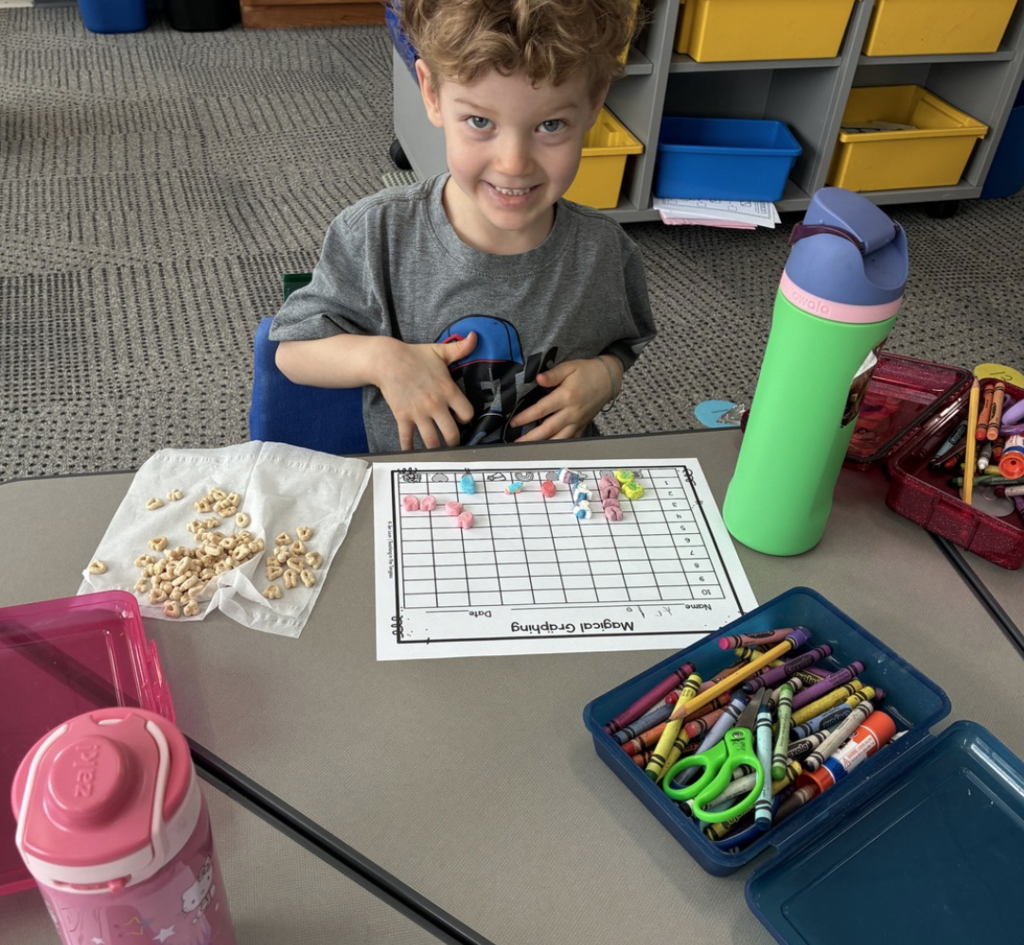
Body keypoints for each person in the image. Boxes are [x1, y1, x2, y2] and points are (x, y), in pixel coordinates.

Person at [270, 0, 656, 452]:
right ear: (432, 93)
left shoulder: (605, 250)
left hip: (556, 483)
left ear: (594, 101)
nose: (513, 164)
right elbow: (292, 351)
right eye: (480, 121)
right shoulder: (376, 234)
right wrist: (381, 359)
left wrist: (607, 376)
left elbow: (624, 343)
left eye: (550, 124)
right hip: (420, 487)